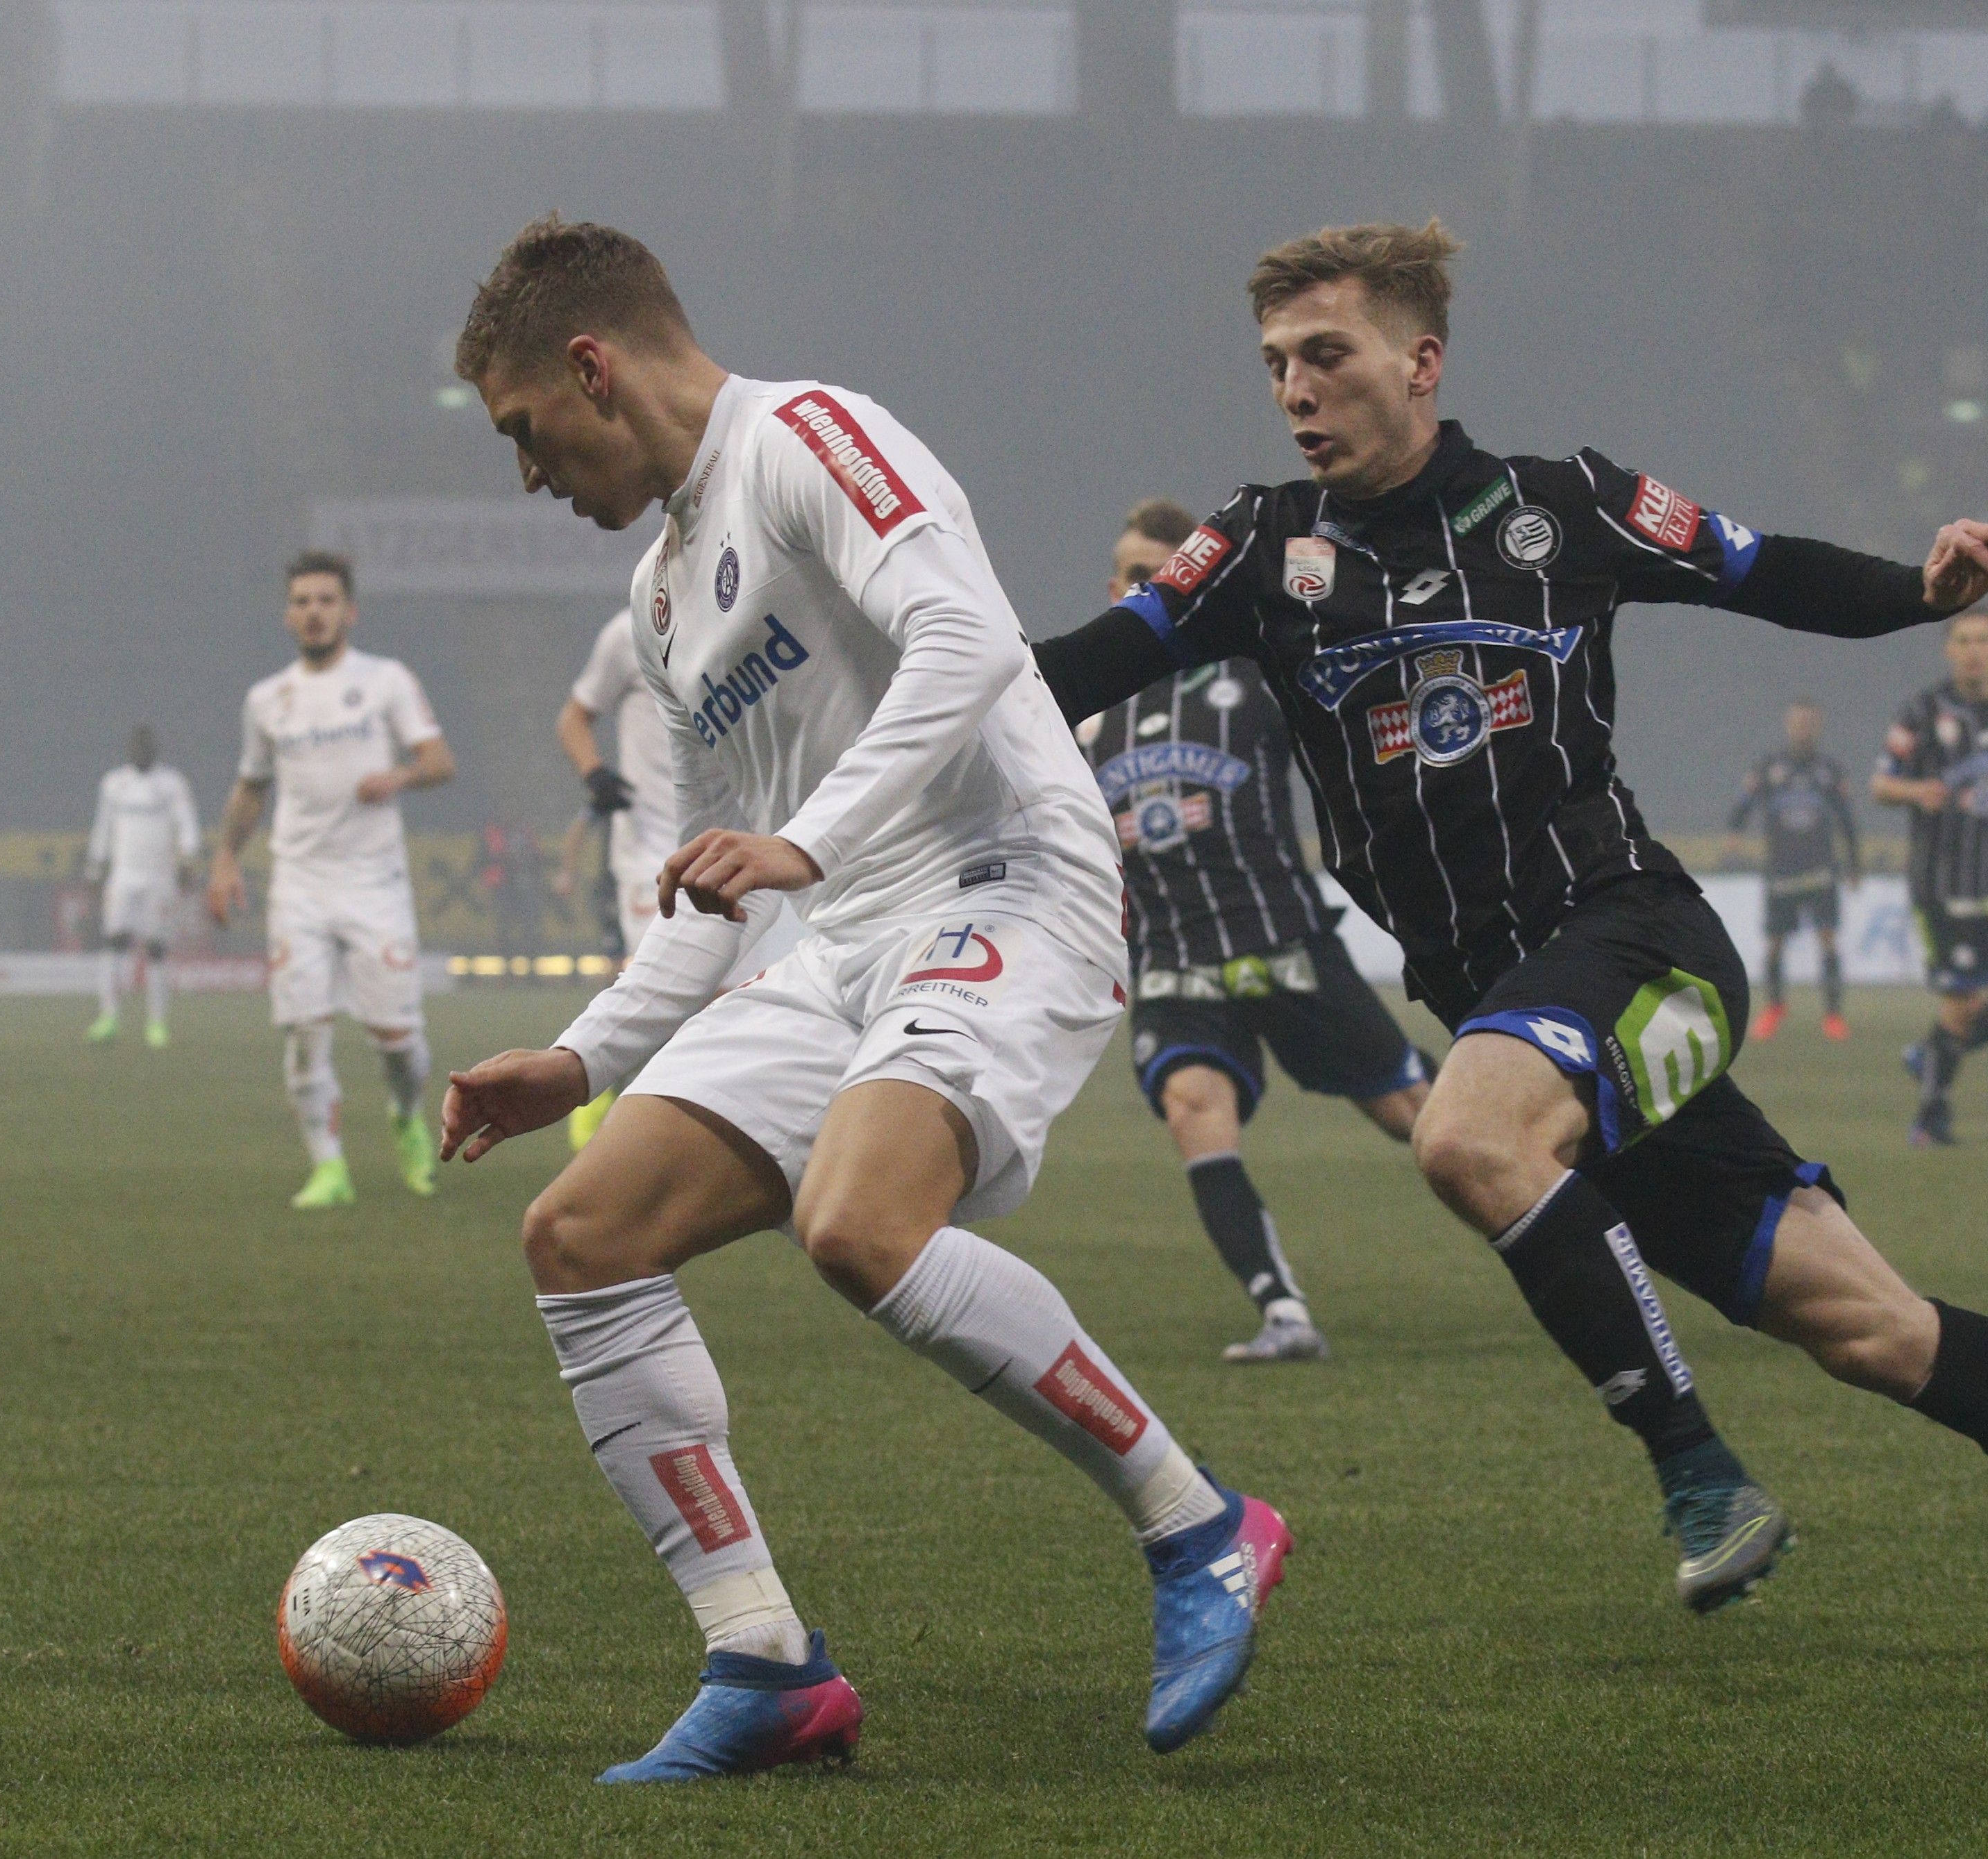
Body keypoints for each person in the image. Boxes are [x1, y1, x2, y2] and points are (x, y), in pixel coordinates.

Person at [1035, 221, 1988, 1620]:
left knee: (1462, 1131)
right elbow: (1068, 672)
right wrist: (884, 681)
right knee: (1874, 1330)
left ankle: (1699, 1476)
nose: (1294, 390)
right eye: (1275, 365)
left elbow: (1764, 571)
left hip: (1640, 947)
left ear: (1419, 359)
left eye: (1325, 355)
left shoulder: (1562, 506)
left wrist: (1919, 593)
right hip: (1514, 1016)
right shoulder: (1261, 547)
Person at [437, 217, 1288, 1783]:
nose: (529, 474)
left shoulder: (809, 436)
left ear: (590, 365)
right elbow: (724, 889)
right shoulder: (661, 599)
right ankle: (762, 1658)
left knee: (859, 1221)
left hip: (1003, 880)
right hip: (839, 939)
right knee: (579, 1235)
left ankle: (1202, 1525)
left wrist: (810, 841)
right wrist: (578, 1059)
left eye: (521, 433)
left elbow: (966, 640)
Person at [1080, 497, 1431, 1362]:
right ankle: (1282, 1311)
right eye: (1120, 572)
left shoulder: (1250, 670)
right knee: (1192, 1107)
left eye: (1144, 574)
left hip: (1280, 936)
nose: (1124, 587)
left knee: (1413, 1116)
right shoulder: (1087, 711)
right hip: (1173, 957)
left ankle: (1578, 1199)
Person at [206, 551, 456, 1210]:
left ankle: (405, 1115)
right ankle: (328, 1168)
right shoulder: (267, 700)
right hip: (300, 883)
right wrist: (225, 858)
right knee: (305, 1030)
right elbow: (251, 789)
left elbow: (437, 759)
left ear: (349, 611)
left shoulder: (385, 680)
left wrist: (398, 776)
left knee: (400, 1044)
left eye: (325, 600)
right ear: (288, 614)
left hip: (375, 883)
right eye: (301, 601)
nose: (313, 612)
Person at [1873, 610, 1988, 1145]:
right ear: (1949, 650)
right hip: (1940, 882)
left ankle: (1929, 1058)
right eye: (1963, 640)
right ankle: (1930, 1118)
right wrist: (1916, 792)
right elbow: (1881, 785)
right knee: (1963, 1003)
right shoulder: (1922, 711)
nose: (1973, 650)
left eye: (1982, 640)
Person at [558, 607, 683, 1148]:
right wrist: (595, 773)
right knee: (664, 991)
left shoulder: (747, 609)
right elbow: (574, 716)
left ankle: (625, 1106)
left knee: (724, 1000)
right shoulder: (629, 629)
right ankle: (615, 1113)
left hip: (732, 838)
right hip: (647, 848)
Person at [1727, 701, 1861, 1042]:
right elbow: (1744, 805)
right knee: (1774, 943)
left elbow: (1847, 819)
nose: (1802, 727)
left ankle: (1833, 1015)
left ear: (1818, 726)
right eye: (1797, 722)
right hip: (1781, 869)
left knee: (1828, 939)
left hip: (1821, 868)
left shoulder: (1829, 769)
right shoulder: (1770, 767)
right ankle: (1775, 1007)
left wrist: (1854, 863)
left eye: (1808, 722)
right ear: (1788, 725)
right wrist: (1734, 836)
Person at [84, 724, 199, 1048]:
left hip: (160, 877)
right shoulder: (114, 784)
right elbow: (103, 827)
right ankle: (108, 1017)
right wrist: (95, 865)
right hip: (123, 876)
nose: (140, 750)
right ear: (128, 749)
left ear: (155, 749)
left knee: (156, 948)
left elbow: (187, 823)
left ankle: (157, 1024)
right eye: (135, 745)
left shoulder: (172, 784)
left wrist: (189, 858)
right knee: (114, 942)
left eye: (145, 745)